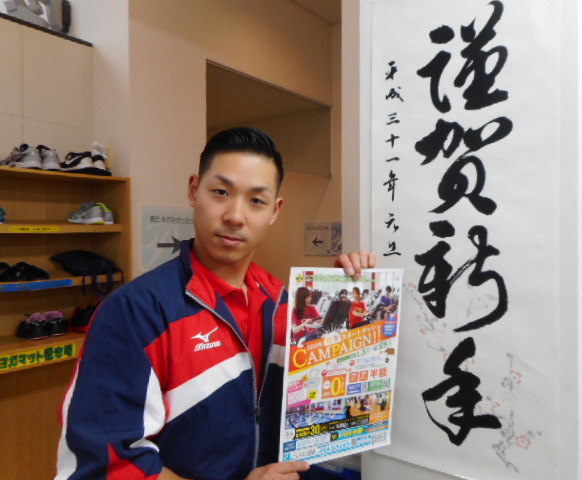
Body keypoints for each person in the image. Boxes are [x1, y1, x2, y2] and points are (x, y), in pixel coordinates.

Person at [54, 127, 376, 480]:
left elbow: (331, 410)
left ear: (275, 210)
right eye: (221, 192)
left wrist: (343, 299)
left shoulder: (283, 303)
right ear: (194, 190)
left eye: (256, 200)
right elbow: (108, 464)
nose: (235, 216)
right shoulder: (135, 311)